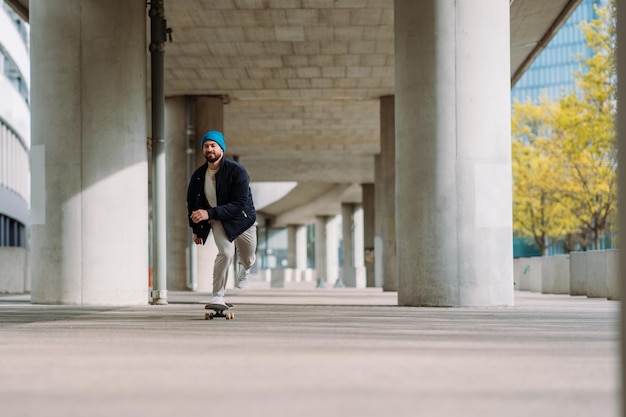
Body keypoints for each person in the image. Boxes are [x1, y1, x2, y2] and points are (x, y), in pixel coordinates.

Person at [187, 130, 257, 307]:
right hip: (217, 220)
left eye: (213, 146)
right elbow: (192, 203)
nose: (209, 149)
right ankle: (218, 295)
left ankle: (245, 269)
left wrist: (208, 213)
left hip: (242, 220)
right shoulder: (198, 175)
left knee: (248, 257)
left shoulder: (237, 171)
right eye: (206, 146)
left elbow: (240, 203)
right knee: (226, 253)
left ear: (221, 149)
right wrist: (196, 230)